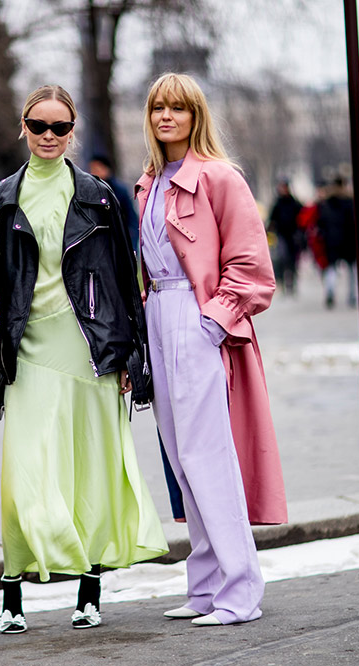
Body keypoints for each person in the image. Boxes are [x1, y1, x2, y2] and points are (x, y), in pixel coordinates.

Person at [0, 84, 167, 634]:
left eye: (59, 128)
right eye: (38, 126)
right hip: (28, 348)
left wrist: (132, 352)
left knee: (89, 469)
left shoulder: (99, 196)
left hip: (89, 347)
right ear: (23, 126)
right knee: (26, 472)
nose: (48, 137)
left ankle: (90, 589)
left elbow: (122, 278)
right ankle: (13, 590)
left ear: (73, 132)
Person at [133, 72, 287, 626]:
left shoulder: (221, 178)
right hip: (158, 318)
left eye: (178, 108)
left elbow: (253, 271)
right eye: (157, 108)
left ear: (196, 115)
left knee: (207, 456)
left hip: (198, 322)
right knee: (180, 459)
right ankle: (204, 587)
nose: (166, 117)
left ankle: (241, 590)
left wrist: (211, 325)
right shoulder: (150, 181)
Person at [317, 176, 357, 308]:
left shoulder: (327, 202)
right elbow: (353, 221)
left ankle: (330, 292)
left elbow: (321, 221)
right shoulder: (350, 201)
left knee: (331, 267)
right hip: (348, 239)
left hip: (331, 239)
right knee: (351, 269)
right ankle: (351, 295)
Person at [89, 154, 139, 254]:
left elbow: (131, 217)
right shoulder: (90, 190)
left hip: (120, 237)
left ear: (106, 169)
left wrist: (131, 240)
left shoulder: (119, 190)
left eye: (97, 168)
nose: (93, 173)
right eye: (92, 169)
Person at [267, 180, 304, 295]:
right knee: (282, 259)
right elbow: (272, 219)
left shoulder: (295, 203)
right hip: (281, 235)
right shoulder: (277, 204)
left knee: (293, 261)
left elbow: (302, 218)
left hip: (293, 236)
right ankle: (283, 282)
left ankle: (292, 283)